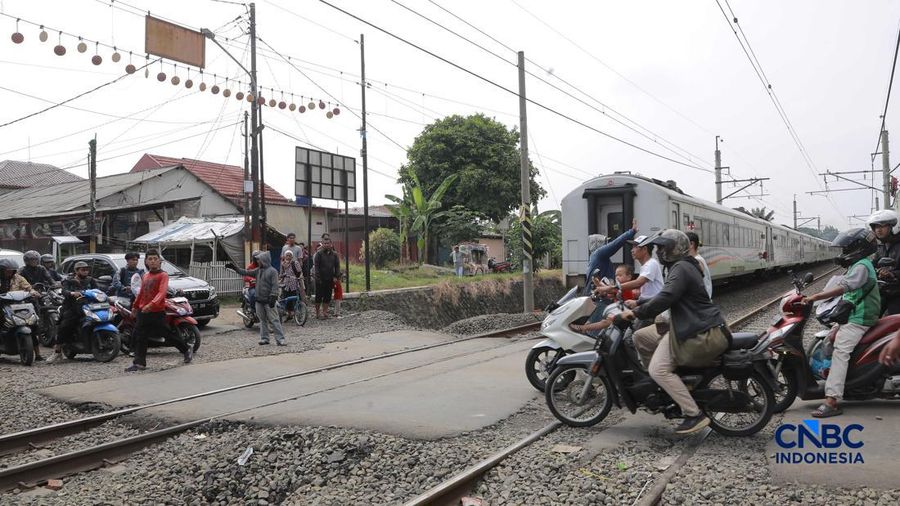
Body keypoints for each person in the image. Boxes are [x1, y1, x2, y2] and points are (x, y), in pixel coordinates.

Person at [617, 230, 729, 435]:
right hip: (688, 324)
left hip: (696, 329)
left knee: (658, 369)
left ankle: (693, 413)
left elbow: (665, 298)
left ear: (674, 249)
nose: (658, 251)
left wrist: (635, 313)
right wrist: (641, 303)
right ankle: (665, 388)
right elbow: (665, 295)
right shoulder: (681, 267)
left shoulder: (681, 268)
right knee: (640, 337)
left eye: (662, 247)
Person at [801, 228, 880, 417]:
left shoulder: (861, 266)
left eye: (846, 249)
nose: (843, 253)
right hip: (855, 315)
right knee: (829, 340)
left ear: (858, 248)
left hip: (860, 318)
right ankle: (846, 381)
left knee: (840, 353)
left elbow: (843, 287)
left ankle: (832, 400)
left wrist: (816, 296)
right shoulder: (859, 265)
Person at [227, 252, 285, 346]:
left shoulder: (273, 271)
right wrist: (235, 268)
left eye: (259, 259)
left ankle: (280, 339)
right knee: (262, 320)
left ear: (264, 260)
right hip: (259, 300)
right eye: (257, 259)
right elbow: (245, 272)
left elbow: (275, 285)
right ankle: (265, 338)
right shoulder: (258, 270)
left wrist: (273, 296)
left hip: (268, 300)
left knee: (274, 320)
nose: (257, 261)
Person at [52, 261, 99, 363]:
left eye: (87, 269)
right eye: (83, 270)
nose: (85, 271)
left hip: (89, 306)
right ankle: (57, 351)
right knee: (65, 325)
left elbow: (98, 290)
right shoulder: (69, 281)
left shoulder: (91, 280)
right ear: (76, 271)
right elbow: (64, 291)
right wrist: (72, 293)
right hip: (72, 307)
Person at [0, 259, 43, 361]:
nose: (9, 272)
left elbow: (28, 287)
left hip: (18, 305)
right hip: (2, 306)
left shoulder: (18, 278)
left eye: (12, 270)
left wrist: (33, 292)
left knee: (31, 325)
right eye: (7, 270)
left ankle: (37, 353)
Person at [584, 219, 638, 295]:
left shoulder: (595, 258)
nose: (607, 245)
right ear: (598, 244)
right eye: (605, 243)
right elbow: (615, 244)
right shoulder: (598, 254)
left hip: (601, 294)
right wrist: (631, 232)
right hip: (599, 297)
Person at [867, 210, 900, 316]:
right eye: (876, 227)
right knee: (868, 315)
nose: (878, 230)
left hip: (897, 292)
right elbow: (873, 264)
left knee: (894, 321)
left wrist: (893, 274)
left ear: (893, 227)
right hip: (884, 289)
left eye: (882, 226)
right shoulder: (881, 247)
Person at [313, 235, 340, 319]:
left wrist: (336, 276)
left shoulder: (335, 254)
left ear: (331, 244)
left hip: (330, 279)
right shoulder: (319, 254)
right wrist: (318, 277)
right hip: (320, 279)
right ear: (322, 244)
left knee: (327, 296)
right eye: (325, 243)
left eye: (328, 243)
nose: (326, 245)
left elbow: (337, 266)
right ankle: (317, 313)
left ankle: (325, 312)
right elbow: (316, 267)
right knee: (318, 296)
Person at [686, 232, 712, 300]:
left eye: (683, 243)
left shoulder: (697, 261)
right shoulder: (698, 259)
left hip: (700, 303)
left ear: (691, 244)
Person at [279, 250, 305, 319]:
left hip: (294, 283)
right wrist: (282, 276)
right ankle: (289, 314)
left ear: (292, 256)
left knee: (295, 298)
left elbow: (300, 272)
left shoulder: (295, 263)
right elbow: (281, 274)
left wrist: (300, 278)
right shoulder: (283, 264)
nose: (288, 257)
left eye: (289, 255)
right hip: (286, 283)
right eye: (287, 255)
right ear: (284, 256)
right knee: (286, 299)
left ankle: (296, 313)